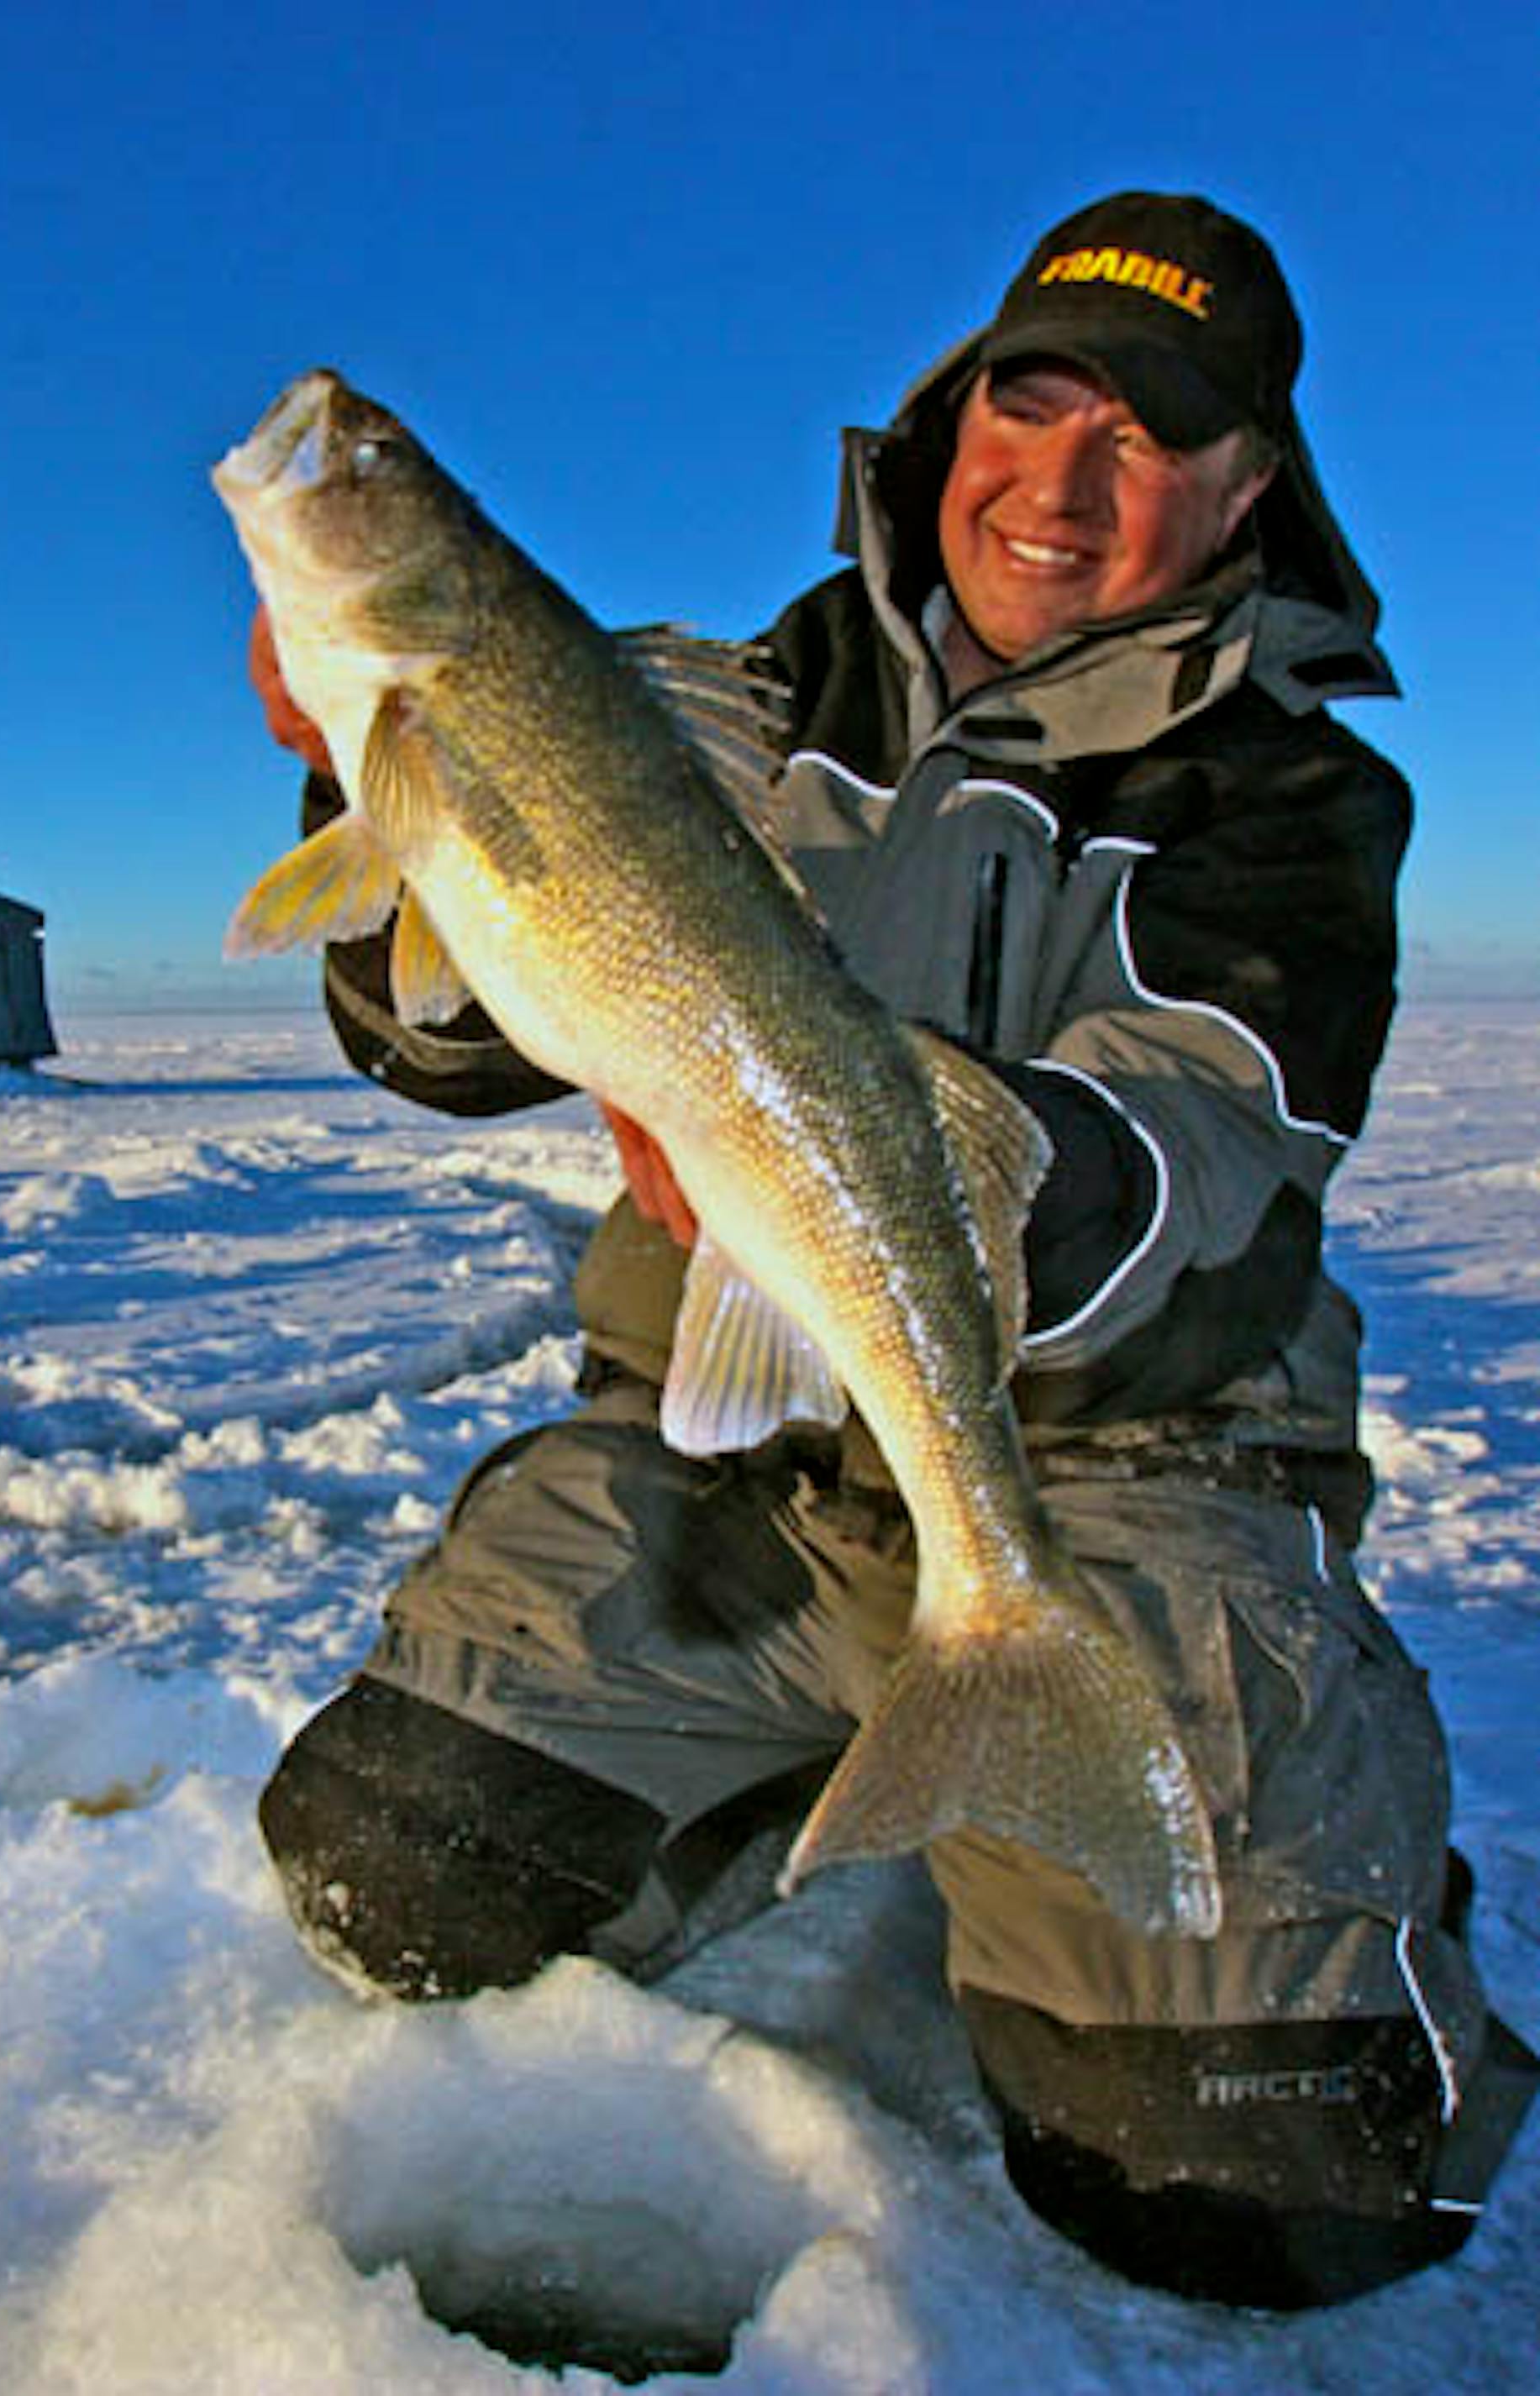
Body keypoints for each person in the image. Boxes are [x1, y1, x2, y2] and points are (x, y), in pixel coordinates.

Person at [247, 192, 1536, 2309]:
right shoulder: (749, 688)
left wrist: (855, 1174)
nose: (1065, 481)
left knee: (1257, 2174)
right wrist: (380, 794)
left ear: (1250, 488)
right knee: (398, 1871)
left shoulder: (1295, 802)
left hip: (1124, 1475)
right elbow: (447, 1043)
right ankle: (824, 1772)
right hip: (735, 1470)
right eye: (1035, 402)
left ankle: (1146, 1769)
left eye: (1152, 433)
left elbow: (1193, 1149)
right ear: (957, 414)